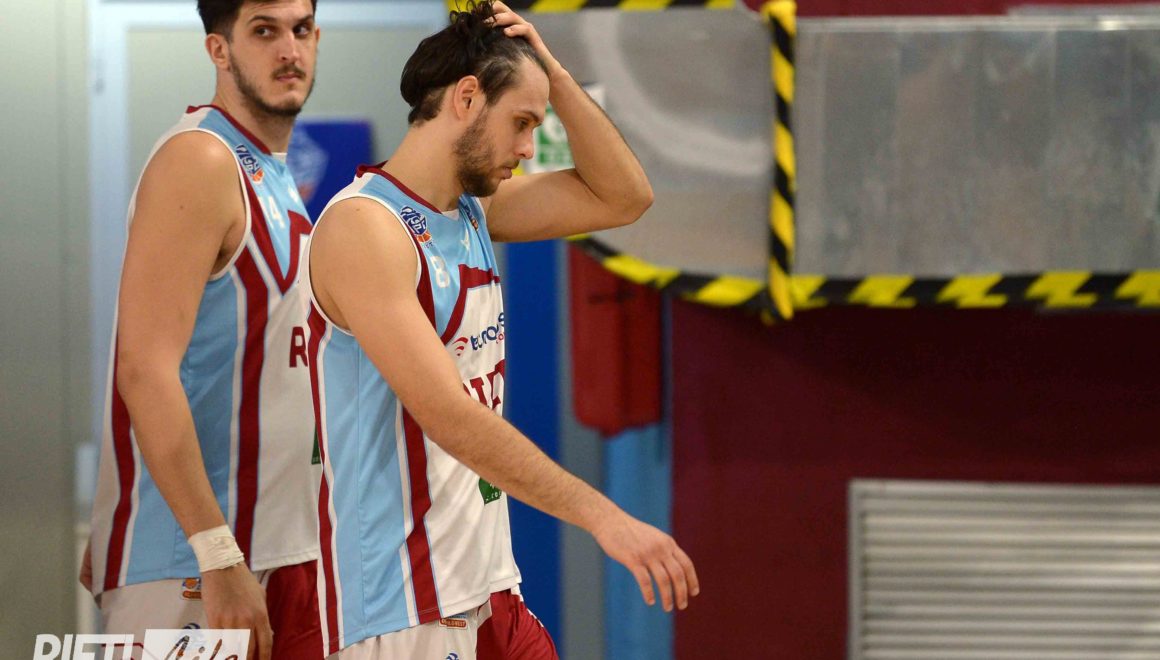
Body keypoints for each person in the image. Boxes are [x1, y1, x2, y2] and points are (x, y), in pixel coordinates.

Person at [303, 2, 699, 657]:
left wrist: (553, 76)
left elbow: (625, 197)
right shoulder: (365, 228)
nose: (527, 148)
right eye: (521, 123)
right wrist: (604, 517)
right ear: (466, 98)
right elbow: (449, 418)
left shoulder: (472, 213)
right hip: (404, 604)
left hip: (487, 581)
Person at [84, 2, 323, 658]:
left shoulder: (271, 171)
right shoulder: (201, 159)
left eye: (301, 29)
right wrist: (216, 552)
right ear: (219, 50)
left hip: (257, 555)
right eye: (264, 30)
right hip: (195, 566)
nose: (289, 50)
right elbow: (143, 368)